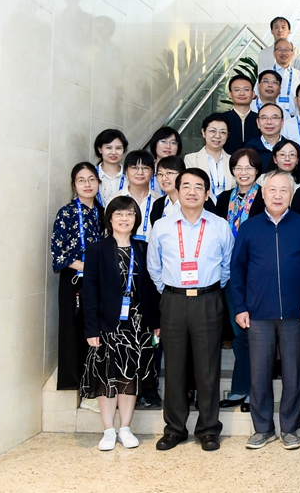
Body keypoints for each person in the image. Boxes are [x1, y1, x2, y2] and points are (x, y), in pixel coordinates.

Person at [229, 170, 300, 451]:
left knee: (293, 373)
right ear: (264, 194)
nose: (278, 195)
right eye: (272, 190)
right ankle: (263, 428)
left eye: (284, 190)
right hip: (258, 313)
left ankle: (289, 428)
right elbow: (237, 270)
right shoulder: (249, 227)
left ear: (291, 195)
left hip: (295, 313)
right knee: (259, 374)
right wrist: (240, 307)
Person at [147, 167, 235, 452]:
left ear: (207, 193)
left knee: (207, 369)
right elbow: (154, 266)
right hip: (173, 300)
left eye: (199, 187)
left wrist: (208, 288)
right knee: (174, 367)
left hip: (208, 300)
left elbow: (227, 266)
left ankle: (208, 429)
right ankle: (174, 429)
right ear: (177, 190)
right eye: (186, 186)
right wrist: (172, 290)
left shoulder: (220, 226)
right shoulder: (162, 226)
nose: (192, 192)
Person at [80, 196, 160, 451]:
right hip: (107, 324)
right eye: (119, 214)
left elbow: (151, 288)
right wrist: (91, 328)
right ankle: (108, 430)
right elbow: (90, 291)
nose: (124, 218)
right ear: (110, 218)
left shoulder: (143, 248)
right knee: (107, 377)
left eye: (130, 214)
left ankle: (125, 428)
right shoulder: (97, 249)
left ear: (136, 219)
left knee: (130, 376)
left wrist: (155, 321)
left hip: (137, 324)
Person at [213, 149, 265, 412]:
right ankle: (241, 389)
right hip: (229, 273)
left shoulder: (265, 197)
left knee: (255, 334)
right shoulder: (224, 199)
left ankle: (251, 391)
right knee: (238, 333)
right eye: (238, 168)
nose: (243, 173)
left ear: (257, 171)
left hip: (256, 274)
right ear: (232, 170)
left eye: (249, 168)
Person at [51, 162, 104, 391]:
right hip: (74, 279)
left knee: (96, 329)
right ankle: (75, 384)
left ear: (99, 182)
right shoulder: (67, 212)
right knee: (73, 330)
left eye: (92, 179)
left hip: (98, 280)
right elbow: (58, 252)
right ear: (74, 185)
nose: (87, 184)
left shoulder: (102, 212)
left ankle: (94, 383)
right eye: (81, 180)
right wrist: (85, 266)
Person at [184, 113, 235, 202]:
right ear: (203, 132)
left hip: (229, 208)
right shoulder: (191, 160)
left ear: (227, 135)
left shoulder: (234, 161)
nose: (217, 136)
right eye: (212, 131)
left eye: (223, 132)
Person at [120, 150, 157, 242]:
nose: (140, 172)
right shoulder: (116, 199)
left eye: (145, 168)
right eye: (134, 168)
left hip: (152, 249)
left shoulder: (160, 201)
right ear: (126, 171)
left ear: (152, 172)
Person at [244, 102, 288, 173]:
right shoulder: (248, 148)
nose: (269, 122)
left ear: (282, 122)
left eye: (274, 118)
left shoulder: (291, 148)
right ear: (258, 123)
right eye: (264, 118)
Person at [220, 75, 259, 155]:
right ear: (230, 94)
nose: (242, 93)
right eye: (237, 90)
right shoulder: (221, 119)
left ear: (253, 94)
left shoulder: (260, 120)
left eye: (246, 89)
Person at [270, 38, 300, 115]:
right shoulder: (265, 73)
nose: (283, 53)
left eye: (287, 50)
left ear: (292, 54)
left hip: (294, 118)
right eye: (280, 50)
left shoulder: (299, 75)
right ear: (274, 53)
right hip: (271, 118)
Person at [94, 129, 128, 206]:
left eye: (118, 148)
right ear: (100, 149)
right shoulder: (91, 175)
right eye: (108, 148)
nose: (113, 152)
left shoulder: (130, 176)